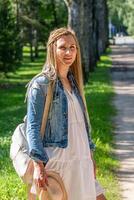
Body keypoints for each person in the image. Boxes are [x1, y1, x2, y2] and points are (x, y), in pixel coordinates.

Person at [25, 27, 106, 200]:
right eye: (63, 47)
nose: (68, 52)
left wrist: (90, 156)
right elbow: (32, 127)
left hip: (81, 160)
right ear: (52, 49)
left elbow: (83, 124)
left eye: (73, 47)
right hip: (59, 162)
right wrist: (38, 165)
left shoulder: (74, 82)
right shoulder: (41, 84)